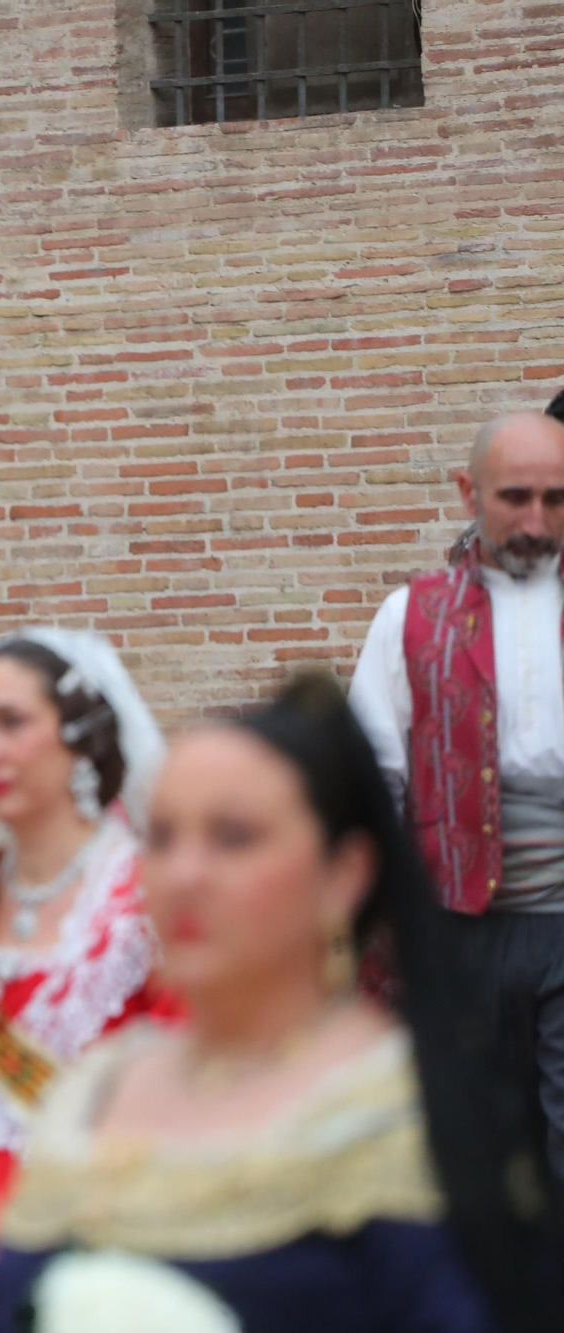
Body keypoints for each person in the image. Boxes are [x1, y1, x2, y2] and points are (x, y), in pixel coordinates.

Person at [0, 674, 562, 1333]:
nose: (185, 873)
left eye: (234, 836)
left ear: (344, 873)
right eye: (161, 837)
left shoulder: (402, 1115)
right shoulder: (92, 1090)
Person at [0, 628, 169, 1333]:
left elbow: (184, 1092)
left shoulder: (147, 898)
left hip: (97, 1234)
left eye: (12, 722)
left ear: (79, 734)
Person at [350, 410, 564, 1193]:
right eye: (516, 497)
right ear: (469, 491)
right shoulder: (409, 618)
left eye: (557, 499)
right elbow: (374, 775)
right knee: (473, 1154)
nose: (537, 520)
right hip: (458, 928)